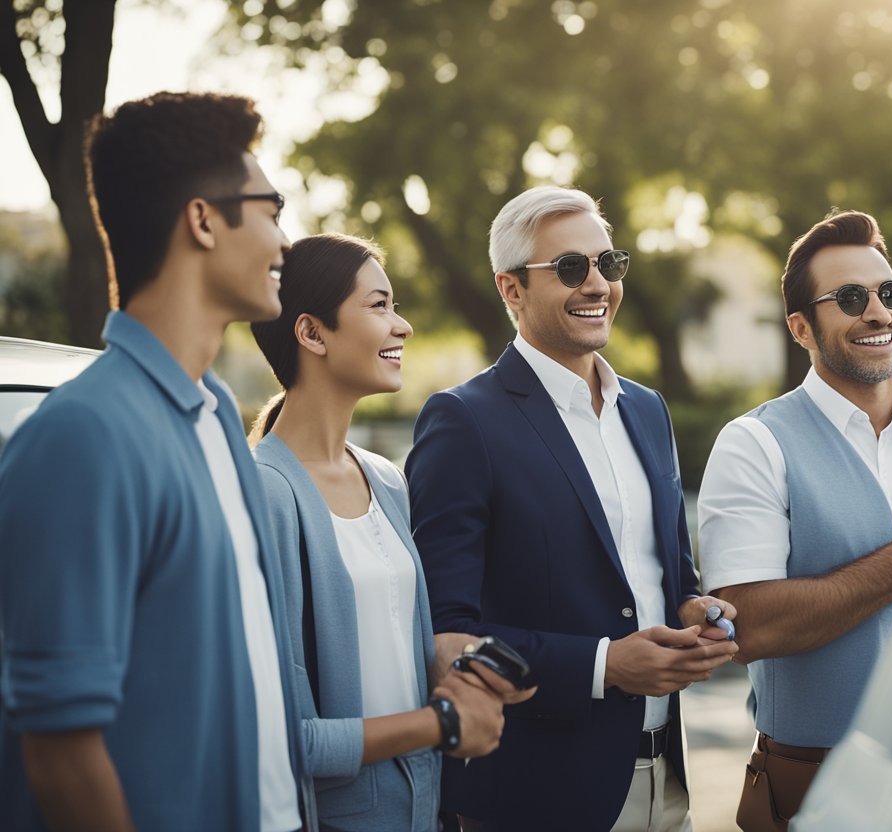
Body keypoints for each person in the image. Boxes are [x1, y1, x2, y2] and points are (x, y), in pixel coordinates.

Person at [0, 92, 302, 830]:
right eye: (272, 207)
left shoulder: (221, 413)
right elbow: (61, 751)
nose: (284, 239)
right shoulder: (81, 436)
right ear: (203, 219)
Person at [405, 186, 739, 831]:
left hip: (667, 784)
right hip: (537, 795)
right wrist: (605, 665)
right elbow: (445, 636)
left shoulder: (647, 409)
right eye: (569, 268)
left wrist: (697, 612)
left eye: (607, 264)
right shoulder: (463, 420)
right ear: (511, 290)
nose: (597, 284)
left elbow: (667, 575)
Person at [697, 209, 892, 832]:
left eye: (888, 294)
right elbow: (747, 626)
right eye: (851, 298)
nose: (878, 313)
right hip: (812, 789)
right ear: (801, 327)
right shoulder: (755, 443)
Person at [249, 233, 533, 831]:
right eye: (378, 306)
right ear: (312, 333)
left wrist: (466, 672)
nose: (401, 326)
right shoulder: (264, 493)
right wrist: (444, 724)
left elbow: (397, 650)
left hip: (423, 815)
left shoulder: (386, 480)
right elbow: (279, 741)